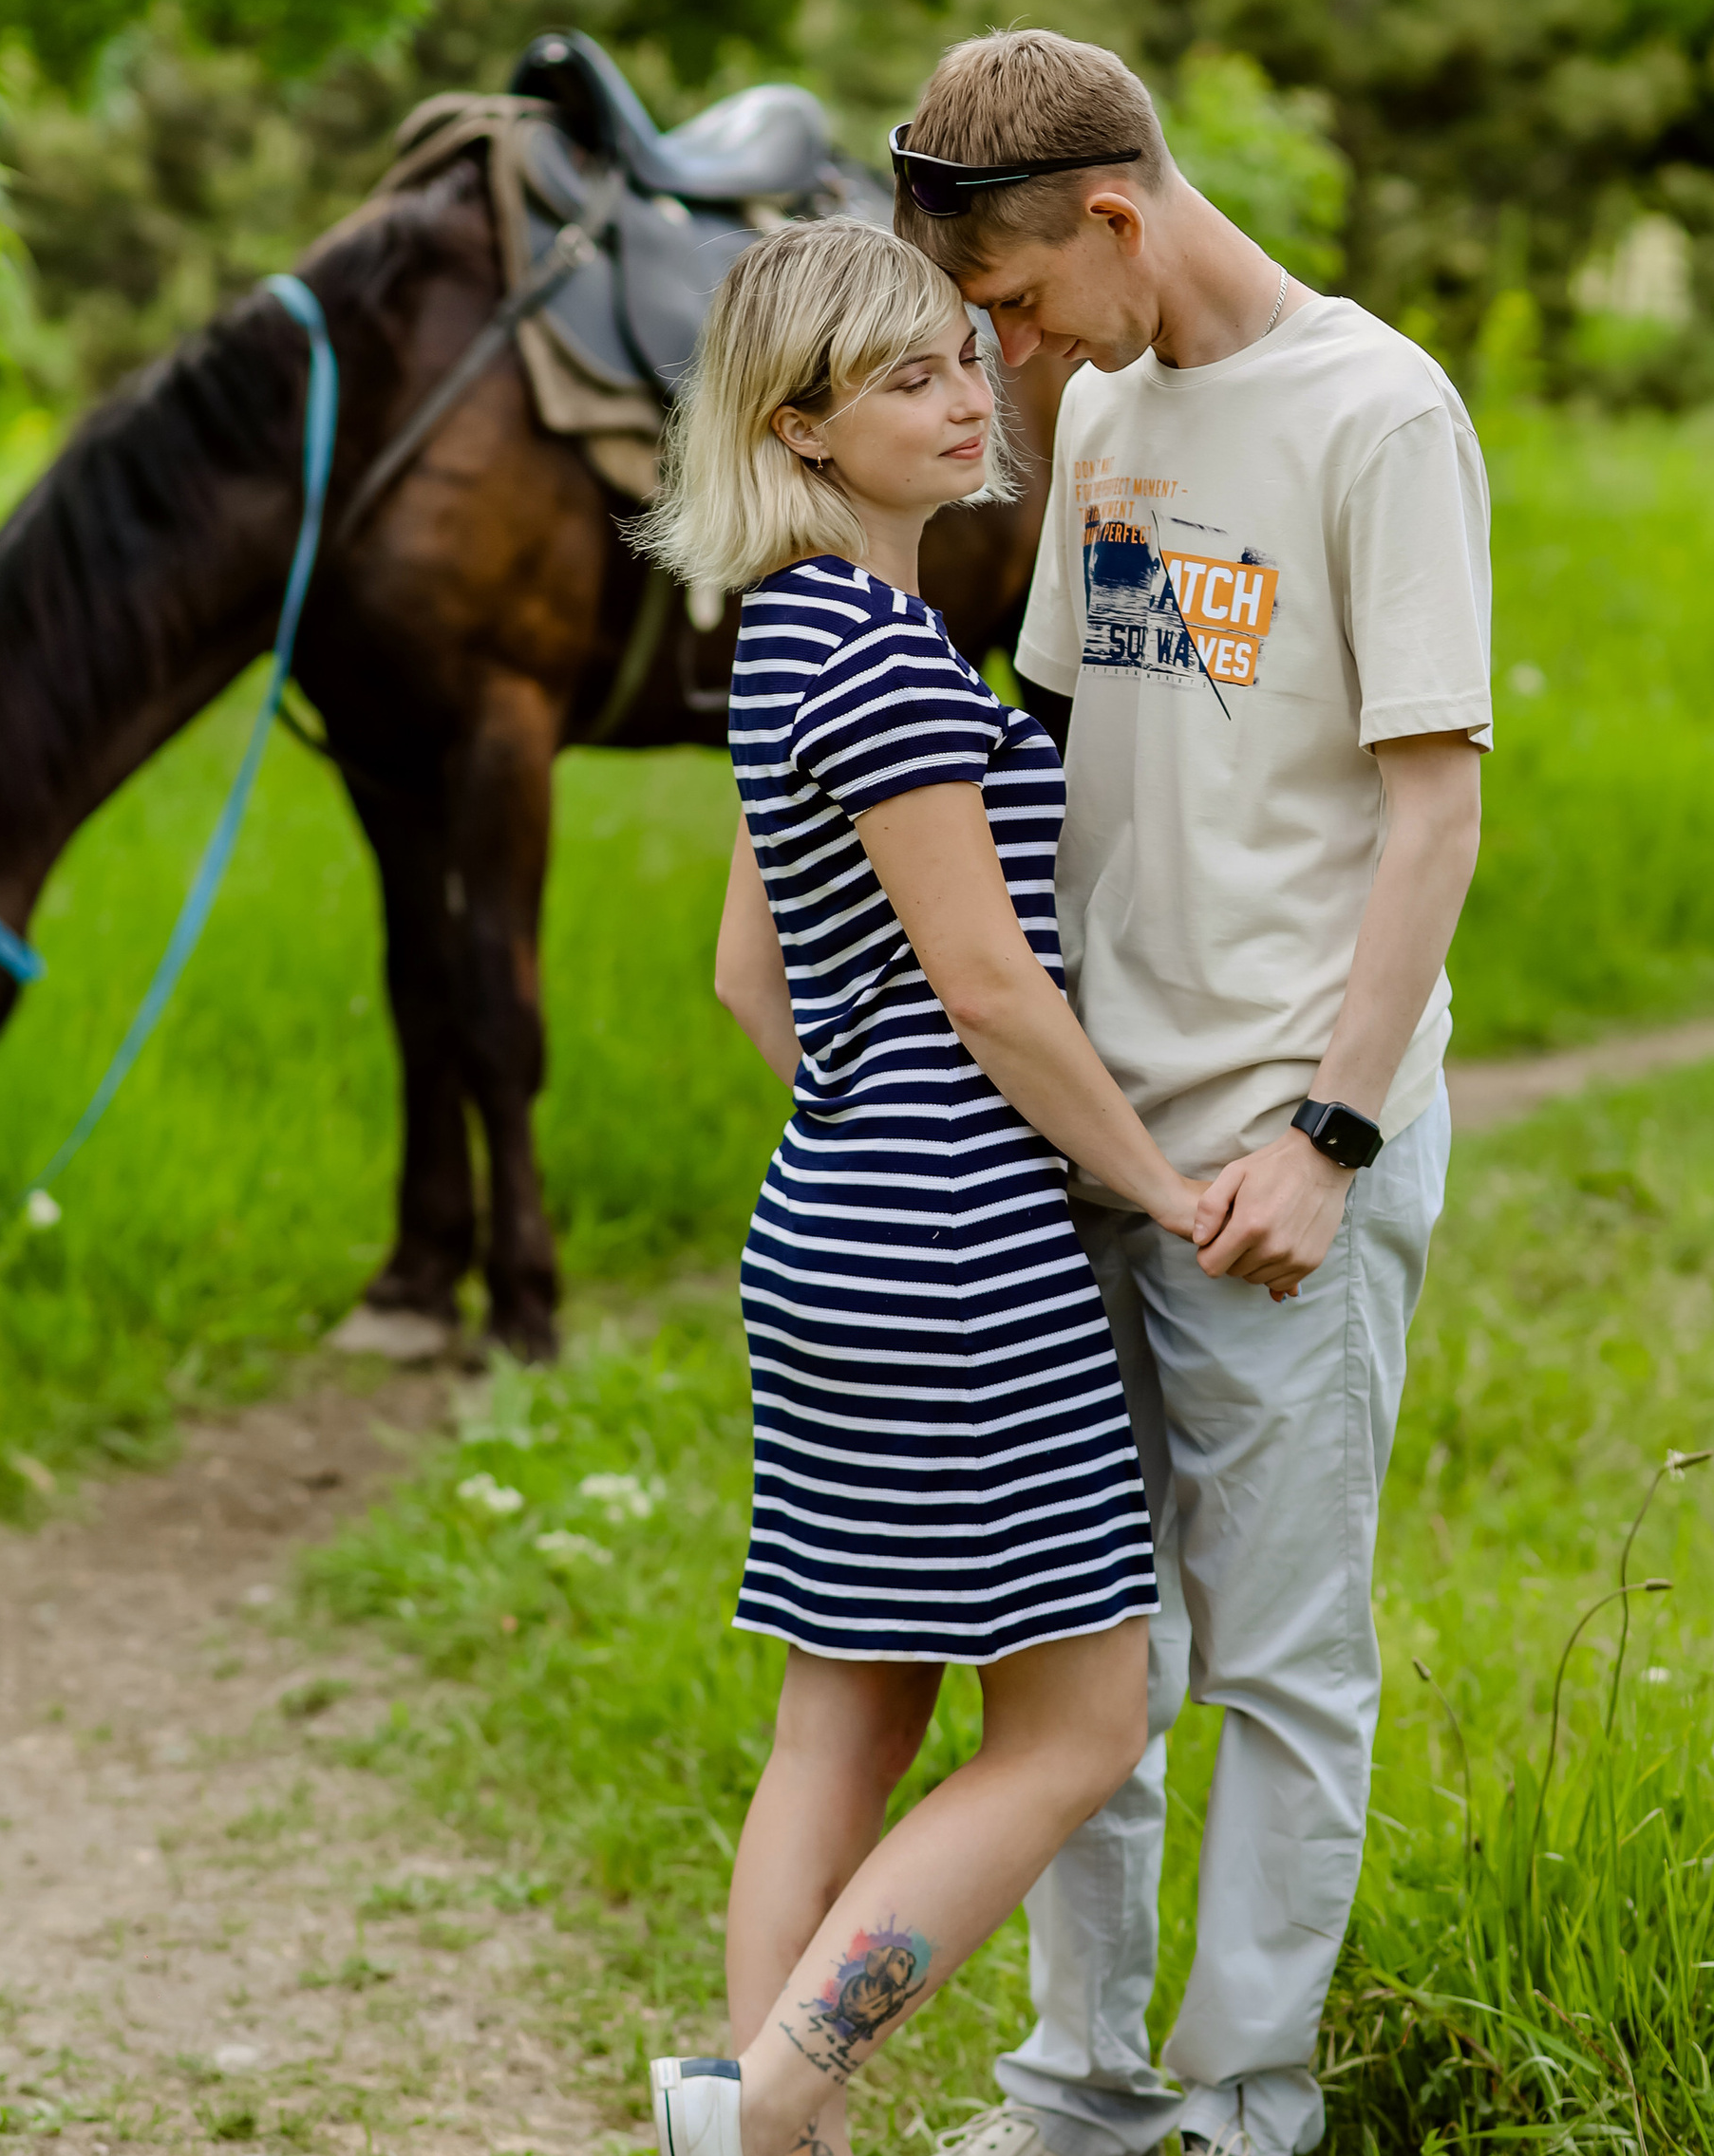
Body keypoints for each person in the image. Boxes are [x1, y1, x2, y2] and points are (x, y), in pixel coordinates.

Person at [892, 29, 1492, 2156]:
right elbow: (1048, 747)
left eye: (1024, 302)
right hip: (1092, 1152)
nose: (1009, 357)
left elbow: (1430, 817)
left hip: (1273, 1161)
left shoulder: (1373, 413)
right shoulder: (1111, 404)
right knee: (1081, 1659)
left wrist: (1322, 1138)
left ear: (1118, 215)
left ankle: (1244, 2109)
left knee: (1279, 1658)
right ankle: (1080, 2084)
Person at [638, 216, 1215, 2156]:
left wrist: (874, 1125)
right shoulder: (881, 656)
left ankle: (755, 2133)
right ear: (799, 425)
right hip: (958, 1256)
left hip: (829, 1227)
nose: (970, 393)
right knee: (1073, 1726)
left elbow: (752, 972)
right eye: (909, 376)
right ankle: (769, 2092)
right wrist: (1151, 1179)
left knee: (844, 1716)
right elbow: (987, 980)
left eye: (967, 356)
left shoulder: (786, 628)